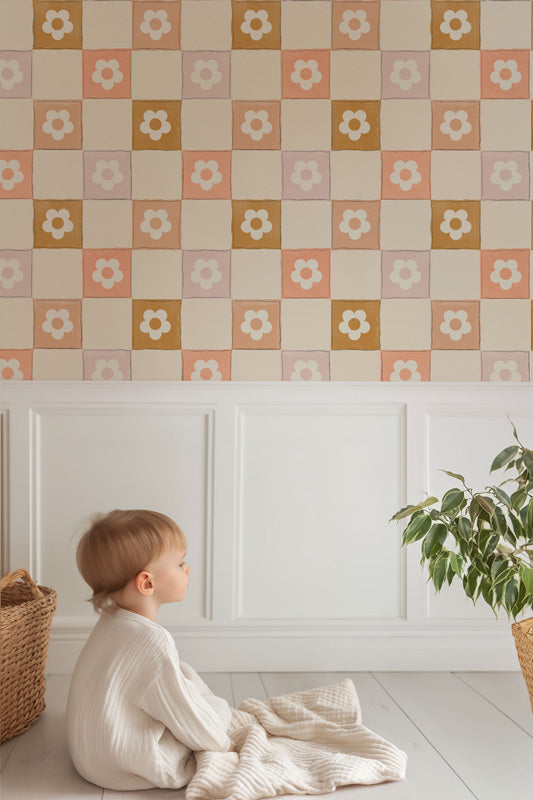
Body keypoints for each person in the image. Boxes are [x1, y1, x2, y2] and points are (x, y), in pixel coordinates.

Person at [66, 508, 236, 791]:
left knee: (183, 673)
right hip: (129, 766)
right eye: (180, 563)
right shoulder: (151, 641)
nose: (188, 569)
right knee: (216, 711)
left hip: (90, 758)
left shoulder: (110, 621)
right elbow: (190, 720)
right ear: (147, 583)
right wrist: (223, 743)